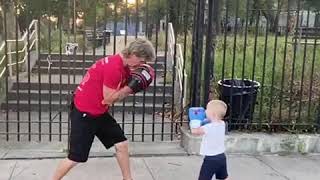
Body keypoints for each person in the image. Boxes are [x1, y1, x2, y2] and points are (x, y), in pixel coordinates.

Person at [52, 38, 156, 180]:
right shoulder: (114, 67)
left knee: (121, 144)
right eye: (142, 61)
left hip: (98, 111)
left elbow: (112, 95)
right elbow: (108, 99)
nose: (141, 65)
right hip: (85, 113)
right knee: (75, 158)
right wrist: (130, 88)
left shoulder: (124, 67)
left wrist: (133, 83)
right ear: (134, 54)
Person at [191, 100, 229, 180]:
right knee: (224, 177)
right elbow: (213, 122)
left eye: (207, 109)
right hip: (221, 157)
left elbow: (194, 131)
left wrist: (194, 121)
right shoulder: (222, 124)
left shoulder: (208, 128)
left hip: (211, 159)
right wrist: (206, 120)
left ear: (212, 114)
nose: (205, 111)